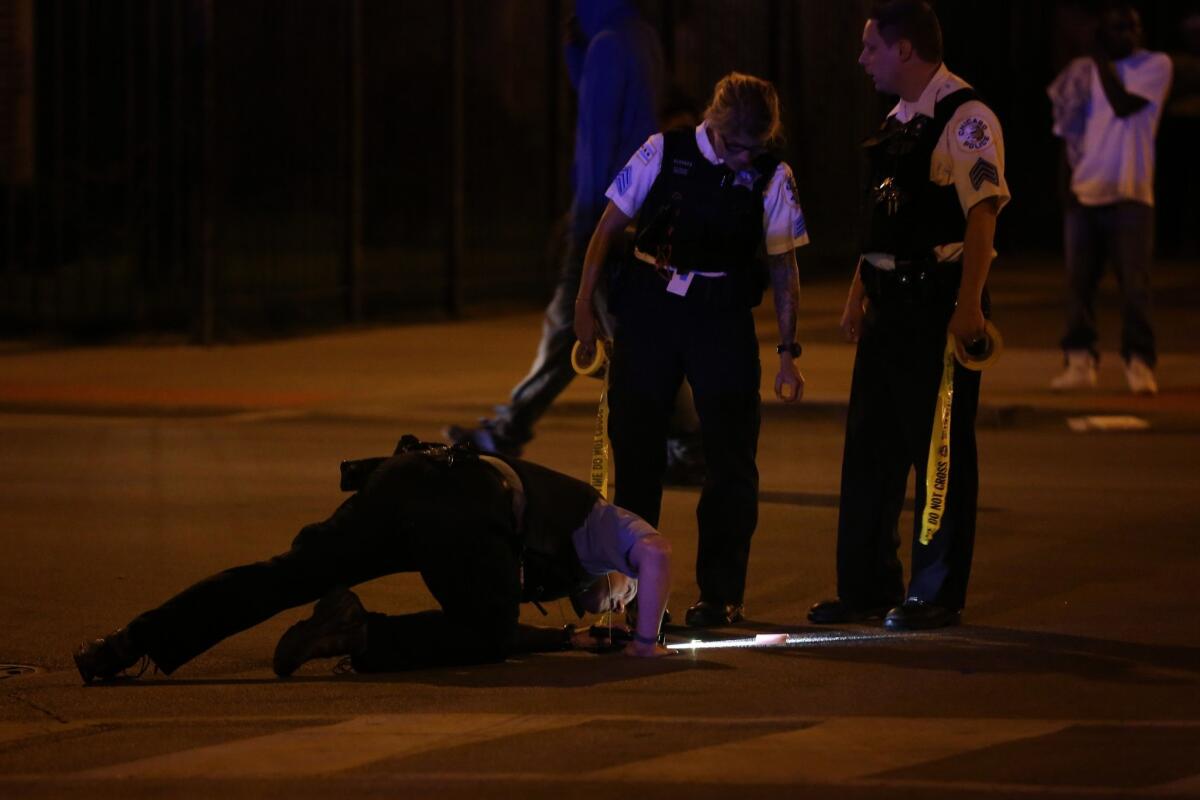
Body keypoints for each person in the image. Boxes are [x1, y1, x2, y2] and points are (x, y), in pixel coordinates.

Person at [73, 437, 672, 683]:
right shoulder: (602, 524)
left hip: (409, 482)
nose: (618, 604)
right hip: (459, 498)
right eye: (624, 597)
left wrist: (573, 637)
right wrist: (647, 640)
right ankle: (359, 634)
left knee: (286, 574)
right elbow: (656, 551)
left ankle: (130, 644)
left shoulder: (572, 568)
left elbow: (498, 605)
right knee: (484, 638)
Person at [574, 72, 809, 628]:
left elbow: (784, 265)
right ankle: (630, 592)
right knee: (636, 448)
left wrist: (787, 351)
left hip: (721, 312)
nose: (742, 160)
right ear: (714, 125)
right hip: (651, 306)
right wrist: (584, 303)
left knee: (731, 455)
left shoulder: (772, 176)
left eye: (756, 149)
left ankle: (721, 594)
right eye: (734, 147)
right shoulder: (664, 150)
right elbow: (607, 226)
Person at [808, 0, 1009, 631]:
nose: (862, 59)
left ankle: (936, 591)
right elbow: (883, 221)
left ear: (905, 49)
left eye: (871, 47)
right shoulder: (899, 119)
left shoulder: (966, 117)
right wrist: (857, 291)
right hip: (888, 301)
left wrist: (970, 304)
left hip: (937, 299)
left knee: (939, 449)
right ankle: (866, 586)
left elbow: (982, 216)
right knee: (871, 447)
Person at [447, 0, 704, 471]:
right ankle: (685, 441)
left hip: (605, 213)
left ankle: (506, 431)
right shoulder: (640, 38)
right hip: (633, 206)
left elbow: (598, 135)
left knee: (579, 327)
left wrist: (589, 214)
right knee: (623, 332)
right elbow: (624, 116)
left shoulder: (609, 44)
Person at [1047, 2, 1173, 395]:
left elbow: (1122, 104)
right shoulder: (1083, 72)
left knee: (1135, 286)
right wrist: (1066, 188)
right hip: (1088, 190)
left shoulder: (1155, 65)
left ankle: (1138, 362)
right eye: (1118, 28)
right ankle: (1080, 360)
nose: (1128, 35)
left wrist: (1098, 56)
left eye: (1134, 27)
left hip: (1131, 194)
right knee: (1078, 285)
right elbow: (1069, 132)